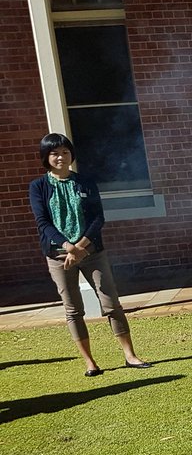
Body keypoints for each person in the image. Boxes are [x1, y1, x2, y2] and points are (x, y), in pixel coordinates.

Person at [28, 133, 151, 377]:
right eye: (55, 153)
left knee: (111, 303)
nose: (60, 157)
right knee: (73, 309)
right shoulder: (38, 186)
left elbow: (98, 218)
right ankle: (90, 362)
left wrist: (81, 246)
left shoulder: (85, 182)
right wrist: (69, 247)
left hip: (91, 251)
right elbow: (42, 222)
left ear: (71, 154)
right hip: (58, 256)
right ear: (46, 157)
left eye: (65, 152)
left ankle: (130, 355)